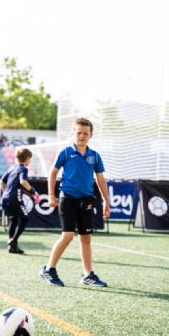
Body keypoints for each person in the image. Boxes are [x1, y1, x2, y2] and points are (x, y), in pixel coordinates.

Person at [40, 118, 110, 287]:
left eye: (85, 133)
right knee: (68, 235)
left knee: (86, 238)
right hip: (68, 198)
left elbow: (101, 180)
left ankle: (88, 274)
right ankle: (49, 269)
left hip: (86, 200)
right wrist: (51, 195)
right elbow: (52, 173)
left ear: (91, 135)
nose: (82, 136)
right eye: (79, 132)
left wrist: (107, 202)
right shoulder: (65, 152)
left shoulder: (95, 156)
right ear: (73, 133)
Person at [0, 147, 40, 254]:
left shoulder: (11, 168)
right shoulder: (23, 168)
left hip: (5, 198)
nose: (29, 161)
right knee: (25, 219)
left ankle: (12, 247)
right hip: (14, 199)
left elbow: (1, 183)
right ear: (27, 159)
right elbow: (23, 181)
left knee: (14, 220)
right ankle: (13, 240)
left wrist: (7, 192)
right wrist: (33, 191)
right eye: (29, 159)